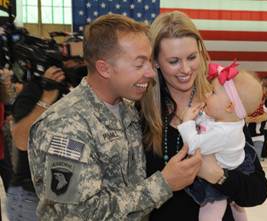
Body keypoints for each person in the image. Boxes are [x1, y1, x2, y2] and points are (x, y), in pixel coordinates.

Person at [28, 14, 202, 220]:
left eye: (149, 62)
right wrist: (163, 183)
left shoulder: (127, 109)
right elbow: (75, 215)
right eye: (139, 65)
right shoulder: (66, 125)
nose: (151, 73)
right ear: (104, 68)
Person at [142, 11, 267, 221]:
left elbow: (257, 191)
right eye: (173, 61)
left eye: (192, 57)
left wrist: (217, 176)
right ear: (155, 61)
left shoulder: (222, 109)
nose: (185, 69)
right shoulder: (142, 114)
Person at [177, 65, 263, 221]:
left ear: (229, 106)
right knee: (236, 206)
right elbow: (209, 124)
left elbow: (193, 144)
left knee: (212, 207)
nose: (207, 94)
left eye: (213, 92)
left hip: (221, 175)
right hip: (238, 166)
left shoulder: (223, 133)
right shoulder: (231, 121)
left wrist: (187, 122)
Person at [6, 66, 65, 221]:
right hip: (30, 197)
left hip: (61, 195)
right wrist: (46, 100)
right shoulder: (34, 90)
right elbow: (21, 139)